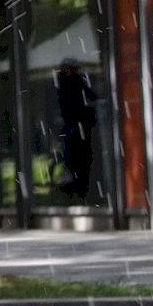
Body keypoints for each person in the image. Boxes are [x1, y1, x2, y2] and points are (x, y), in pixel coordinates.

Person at [53, 60, 97, 202]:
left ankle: (76, 189)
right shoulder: (72, 85)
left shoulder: (69, 85)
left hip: (77, 129)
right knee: (76, 161)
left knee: (77, 162)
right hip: (76, 129)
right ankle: (77, 189)